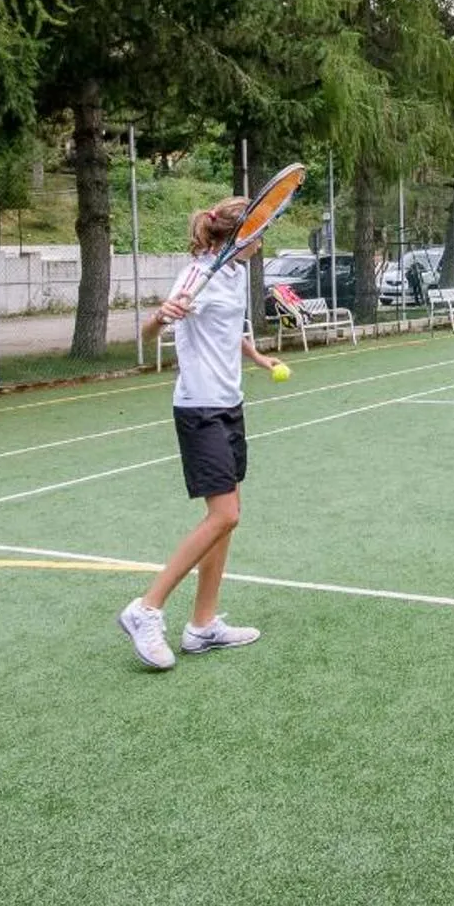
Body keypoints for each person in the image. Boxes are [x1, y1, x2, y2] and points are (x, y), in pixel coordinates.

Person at [117, 197, 283, 670]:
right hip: (200, 408)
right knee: (224, 515)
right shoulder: (197, 274)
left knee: (228, 516)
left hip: (229, 405)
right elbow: (147, 334)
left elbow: (226, 327)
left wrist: (255, 357)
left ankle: (203, 624)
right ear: (238, 235)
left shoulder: (232, 275)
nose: (262, 238)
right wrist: (159, 316)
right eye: (257, 230)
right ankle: (145, 609)